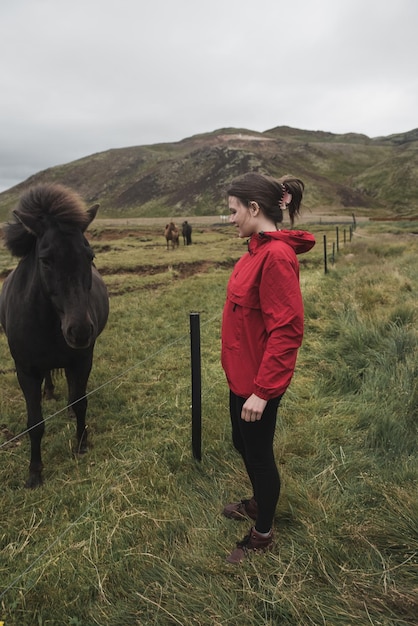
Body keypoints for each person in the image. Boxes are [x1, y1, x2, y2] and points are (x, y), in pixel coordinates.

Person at [221, 171, 315, 564]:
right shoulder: (256, 249)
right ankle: (260, 500)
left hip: (258, 383)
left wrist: (262, 391)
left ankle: (262, 533)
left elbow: (287, 330)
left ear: (254, 208)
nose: (231, 219)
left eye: (234, 211)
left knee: (258, 454)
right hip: (240, 376)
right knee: (241, 443)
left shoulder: (276, 257)